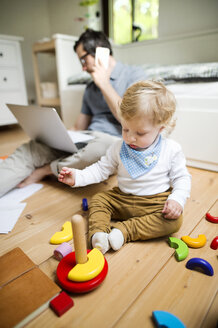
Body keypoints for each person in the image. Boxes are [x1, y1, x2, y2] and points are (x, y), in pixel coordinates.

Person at [0, 29, 146, 197]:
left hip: (111, 142)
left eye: (84, 59)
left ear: (100, 51)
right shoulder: (90, 88)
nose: (83, 68)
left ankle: (47, 170)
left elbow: (133, 121)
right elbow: (79, 127)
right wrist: (56, 137)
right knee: (32, 148)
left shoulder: (134, 75)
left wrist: (104, 84)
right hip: (88, 138)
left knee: (100, 149)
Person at [58, 80, 192, 254]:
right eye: (125, 129)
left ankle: (124, 231)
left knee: (175, 221)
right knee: (98, 199)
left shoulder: (171, 149)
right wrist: (78, 177)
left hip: (155, 202)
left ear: (160, 128)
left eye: (140, 133)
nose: (130, 138)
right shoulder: (117, 147)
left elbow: (182, 178)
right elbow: (101, 169)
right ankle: (98, 233)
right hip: (122, 198)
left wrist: (177, 200)